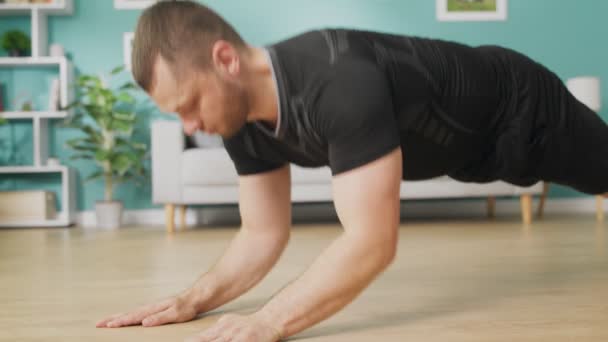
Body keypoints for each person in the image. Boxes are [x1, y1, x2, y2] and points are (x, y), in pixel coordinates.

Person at [96, 1, 608, 341]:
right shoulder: (241, 122)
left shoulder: (336, 80)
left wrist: (266, 322)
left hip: (521, 112)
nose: (191, 124)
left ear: (225, 58)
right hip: (469, 156)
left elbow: (371, 243)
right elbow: (262, 233)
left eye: (189, 104)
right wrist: (192, 300)